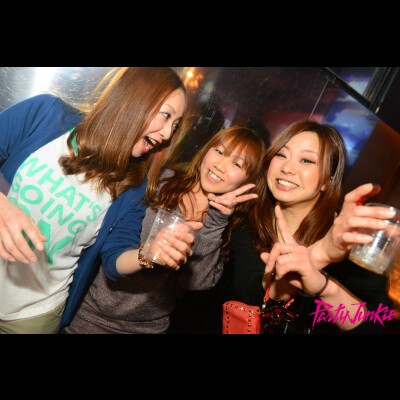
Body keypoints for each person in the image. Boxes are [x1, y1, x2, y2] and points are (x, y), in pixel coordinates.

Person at [0, 67, 196, 334]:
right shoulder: (45, 114)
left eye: (175, 125)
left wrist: (148, 254)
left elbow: (114, 260)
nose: (167, 135)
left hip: (32, 316)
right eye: (166, 115)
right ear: (135, 97)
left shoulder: (132, 186)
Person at [63, 125, 268, 333]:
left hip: (147, 328)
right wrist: (149, 253)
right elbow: (114, 247)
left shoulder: (228, 225)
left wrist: (216, 221)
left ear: (248, 180)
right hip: (89, 315)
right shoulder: (161, 180)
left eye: (236, 163)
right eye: (219, 151)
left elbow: (196, 284)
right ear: (206, 150)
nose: (220, 165)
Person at [230, 120, 394, 334]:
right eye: (281, 154)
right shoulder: (249, 220)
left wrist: (325, 285)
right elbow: (249, 293)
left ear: (327, 181)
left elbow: (375, 325)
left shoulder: (346, 237)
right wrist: (319, 255)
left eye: (306, 160)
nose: (287, 168)